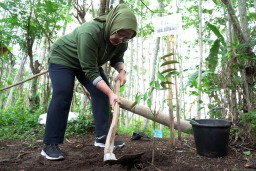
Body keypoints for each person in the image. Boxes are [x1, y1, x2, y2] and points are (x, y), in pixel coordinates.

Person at [41, 4, 138, 160]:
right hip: (64, 58)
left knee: (101, 94)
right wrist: (111, 93)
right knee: (63, 94)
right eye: (119, 34)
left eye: (126, 38)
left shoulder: (122, 41)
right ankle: (50, 144)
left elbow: (117, 58)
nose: (121, 40)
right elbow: (91, 71)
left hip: (87, 63)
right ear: (113, 24)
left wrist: (122, 71)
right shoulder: (90, 32)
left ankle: (102, 137)